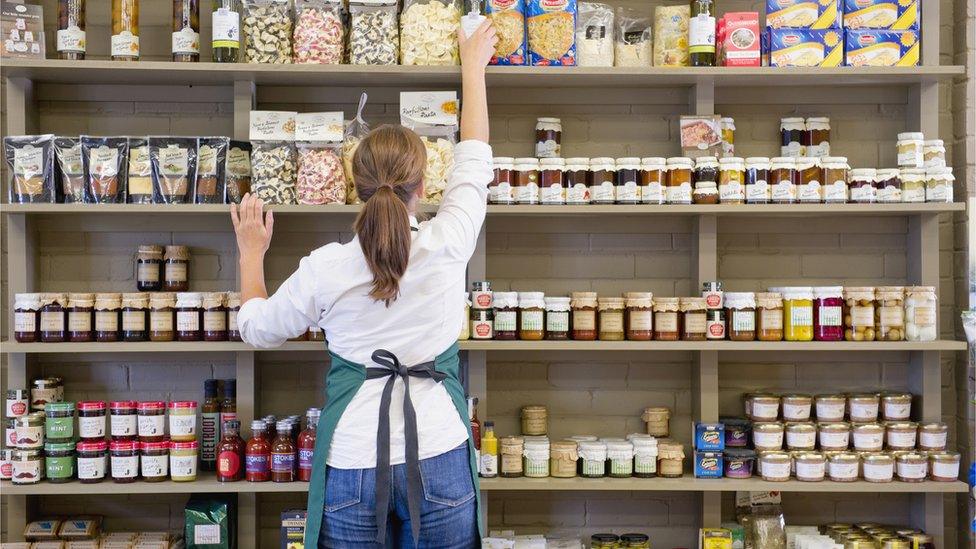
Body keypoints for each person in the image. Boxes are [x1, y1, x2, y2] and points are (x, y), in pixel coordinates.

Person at [231, 21, 498, 549]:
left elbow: (256, 329)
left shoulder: (325, 267)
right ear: (424, 186)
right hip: (439, 454)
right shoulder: (450, 242)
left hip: (352, 460)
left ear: (355, 186)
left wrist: (250, 254)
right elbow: (474, 155)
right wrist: (472, 67)